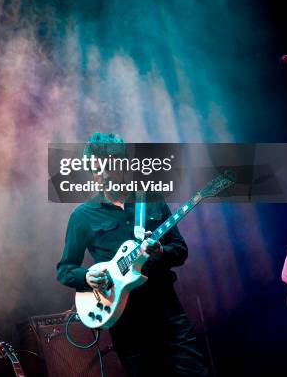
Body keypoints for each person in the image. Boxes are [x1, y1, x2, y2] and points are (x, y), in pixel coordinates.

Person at [57, 133, 208, 376]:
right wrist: (86, 277)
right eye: (95, 170)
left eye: (108, 167)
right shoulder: (82, 216)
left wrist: (160, 251)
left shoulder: (151, 200)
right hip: (125, 320)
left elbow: (180, 251)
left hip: (166, 310)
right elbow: (65, 270)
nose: (102, 175)